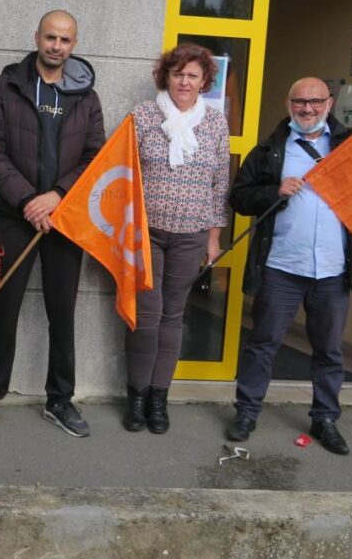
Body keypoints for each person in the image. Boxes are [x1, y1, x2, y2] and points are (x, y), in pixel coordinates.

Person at [0, 9, 105, 439]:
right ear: (36, 37)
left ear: (73, 45)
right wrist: (27, 200)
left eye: (64, 40)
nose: (56, 45)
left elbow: (94, 156)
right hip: (14, 216)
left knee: (62, 312)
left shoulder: (87, 97)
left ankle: (60, 399)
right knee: (2, 310)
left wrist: (57, 195)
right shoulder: (5, 87)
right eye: (50, 37)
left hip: (64, 218)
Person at [226, 77, 352, 455]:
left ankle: (325, 418)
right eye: (299, 102)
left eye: (315, 101)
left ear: (329, 103)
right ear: (288, 103)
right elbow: (239, 197)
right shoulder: (270, 148)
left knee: (329, 350)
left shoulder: (350, 147)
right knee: (262, 344)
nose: (307, 109)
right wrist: (273, 192)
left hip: (332, 269)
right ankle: (246, 412)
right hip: (281, 267)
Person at [123, 43, 230, 434]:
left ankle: (158, 399)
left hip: (192, 235)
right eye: (178, 74)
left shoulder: (215, 123)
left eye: (193, 75)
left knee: (174, 318)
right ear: (165, 76)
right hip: (146, 235)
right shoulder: (142, 116)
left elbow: (221, 184)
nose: (184, 81)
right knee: (146, 318)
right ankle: (135, 397)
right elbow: (122, 174)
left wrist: (213, 239)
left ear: (204, 82)